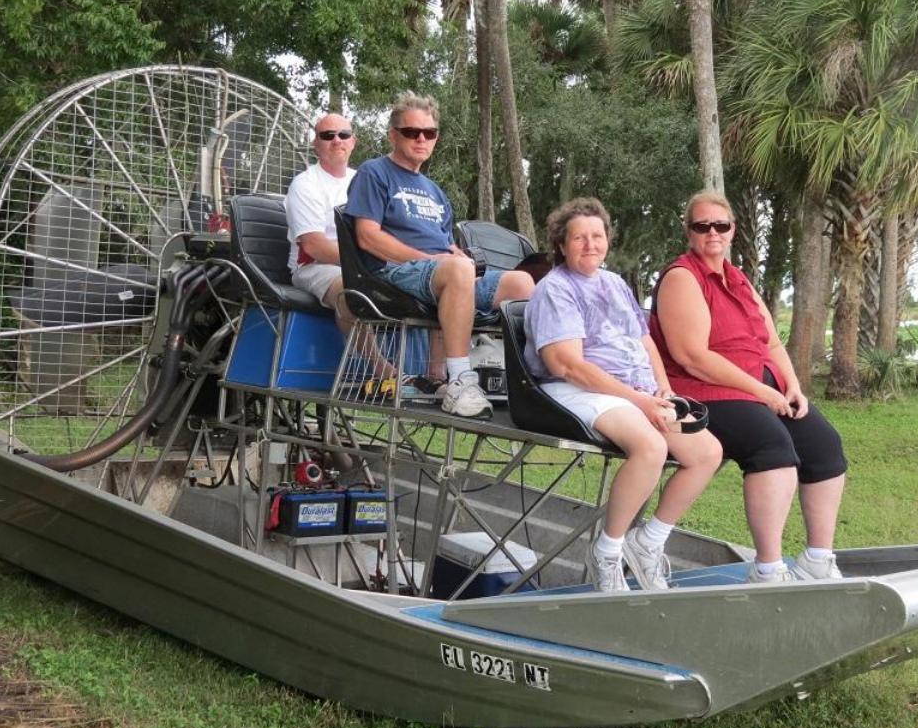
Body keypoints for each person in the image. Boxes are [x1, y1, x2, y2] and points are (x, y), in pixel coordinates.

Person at [525, 197, 723, 592]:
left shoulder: (615, 283)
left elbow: (645, 340)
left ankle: (647, 543)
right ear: (561, 245)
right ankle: (608, 551)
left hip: (634, 391)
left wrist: (661, 387)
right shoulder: (555, 289)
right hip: (575, 389)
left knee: (706, 453)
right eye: (578, 238)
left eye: (597, 236)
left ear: (607, 240)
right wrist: (641, 401)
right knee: (649, 447)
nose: (590, 245)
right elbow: (567, 364)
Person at [649, 190, 847, 583]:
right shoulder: (682, 278)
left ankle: (817, 559)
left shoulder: (737, 280)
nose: (712, 233)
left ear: (733, 230)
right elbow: (692, 357)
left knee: (823, 444)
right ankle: (768, 568)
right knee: (771, 446)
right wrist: (762, 392)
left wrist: (791, 385)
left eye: (720, 225)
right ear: (689, 231)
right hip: (703, 390)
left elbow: (771, 342)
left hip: (758, 386)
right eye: (702, 226)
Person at [345, 91, 534, 419]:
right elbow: (367, 237)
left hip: (439, 272)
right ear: (393, 135)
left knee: (522, 283)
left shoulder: (436, 192)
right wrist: (431, 260)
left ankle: (525, 380)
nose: (421, 139)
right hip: (393, 273)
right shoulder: (374, 173)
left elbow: (445, 244)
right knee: (458, 271)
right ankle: (461, 380)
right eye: (411, 132)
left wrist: (457, 257)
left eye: (429, 133)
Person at [286, 113, 359, 332]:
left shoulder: (363, 180)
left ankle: (436, 367)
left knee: (431, 284)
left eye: (344, 134)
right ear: (315, 144)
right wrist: (370, 261)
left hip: (361, 265)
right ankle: (376, 365)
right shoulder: (305, 184)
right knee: (353, 291)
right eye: (328, 135)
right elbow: (314, 247)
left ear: (353, 142)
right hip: (315, 266)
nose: (337, 140)